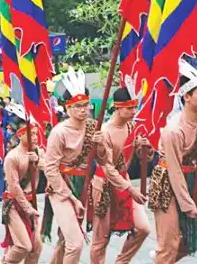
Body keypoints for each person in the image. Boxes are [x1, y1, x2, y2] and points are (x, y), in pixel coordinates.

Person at [42, 67, 134, 263]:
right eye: (78, 106)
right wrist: (69, 196)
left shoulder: (94, 126)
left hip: (84, 184)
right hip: (61, 187)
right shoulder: (59, 132)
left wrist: (100, 145)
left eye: (86, 105)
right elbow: (50, 169)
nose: (83, 110)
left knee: (65, 239)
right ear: (68, 108)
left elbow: (104, 160)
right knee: (75, 243)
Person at [149, 60, 197, 262]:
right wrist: (188, 205)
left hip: (190, 179)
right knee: (169, 244)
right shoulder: (174, 130)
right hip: (167, 184)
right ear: (186, 96)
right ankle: (164, 256)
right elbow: (174, 171)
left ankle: (163, 258)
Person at [89, 86, 150, 264]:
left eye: (135, 107)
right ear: (117, 107)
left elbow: (142, 157)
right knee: (101, 240)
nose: (134, 111)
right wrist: (131, 189)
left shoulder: (132, 126)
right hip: (104, 186)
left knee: (143, 228)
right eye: (129, 108)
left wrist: (145, 147)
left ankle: (121, 262)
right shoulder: (105, 132)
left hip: (125, 181)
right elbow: (108, 168)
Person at [0, 105, 45, 264]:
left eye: (36, 133)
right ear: (20, 135)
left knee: (37, 247)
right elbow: (14, 187)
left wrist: (38, 161)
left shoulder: (38, 152)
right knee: (23, 246)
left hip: (31, 201)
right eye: (31, 133)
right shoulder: (12, 157)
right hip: (14, 204)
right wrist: (28, 209)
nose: (35, 136)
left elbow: (50, 168)